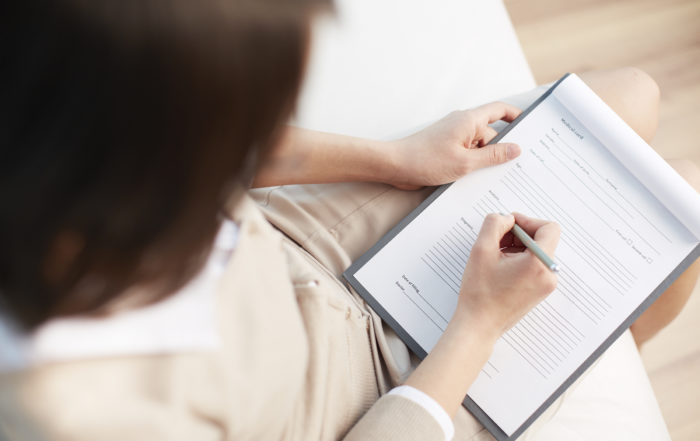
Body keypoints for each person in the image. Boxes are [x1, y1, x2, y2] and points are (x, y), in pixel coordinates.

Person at [0, 1, 698, 440]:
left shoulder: (59, 107)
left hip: (303, 244)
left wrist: (398, 159)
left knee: (627, 101)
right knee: (666, 251)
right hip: (353, 401)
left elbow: (230, 148)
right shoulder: (81, 414)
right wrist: (479, 325)